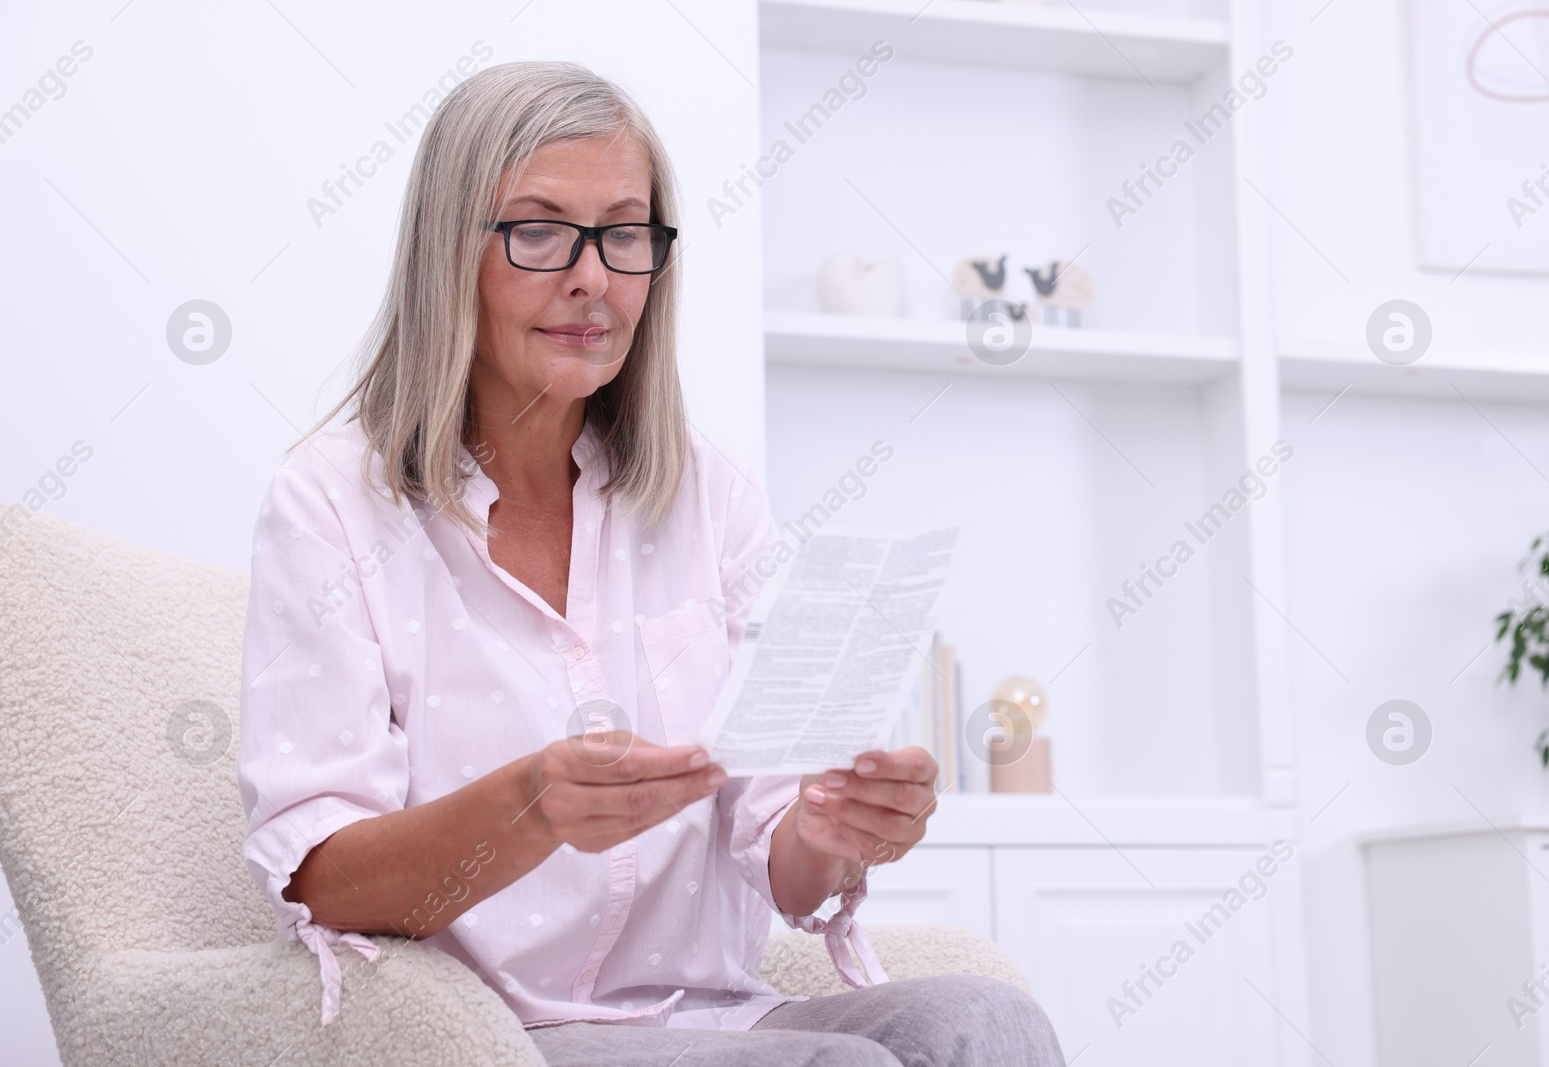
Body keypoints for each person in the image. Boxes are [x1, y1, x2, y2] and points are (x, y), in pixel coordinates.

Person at [236, 58, 1067, 1066]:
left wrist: (838, 828)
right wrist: (531, 806)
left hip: (707, 1012)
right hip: (492, 1032)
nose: (591, 277)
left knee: (992, 1022)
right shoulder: (333, 502)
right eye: (538, 231)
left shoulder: (709, 494)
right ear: (448, 251)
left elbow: (778, 851)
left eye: (623, 234)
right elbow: (321, 875)